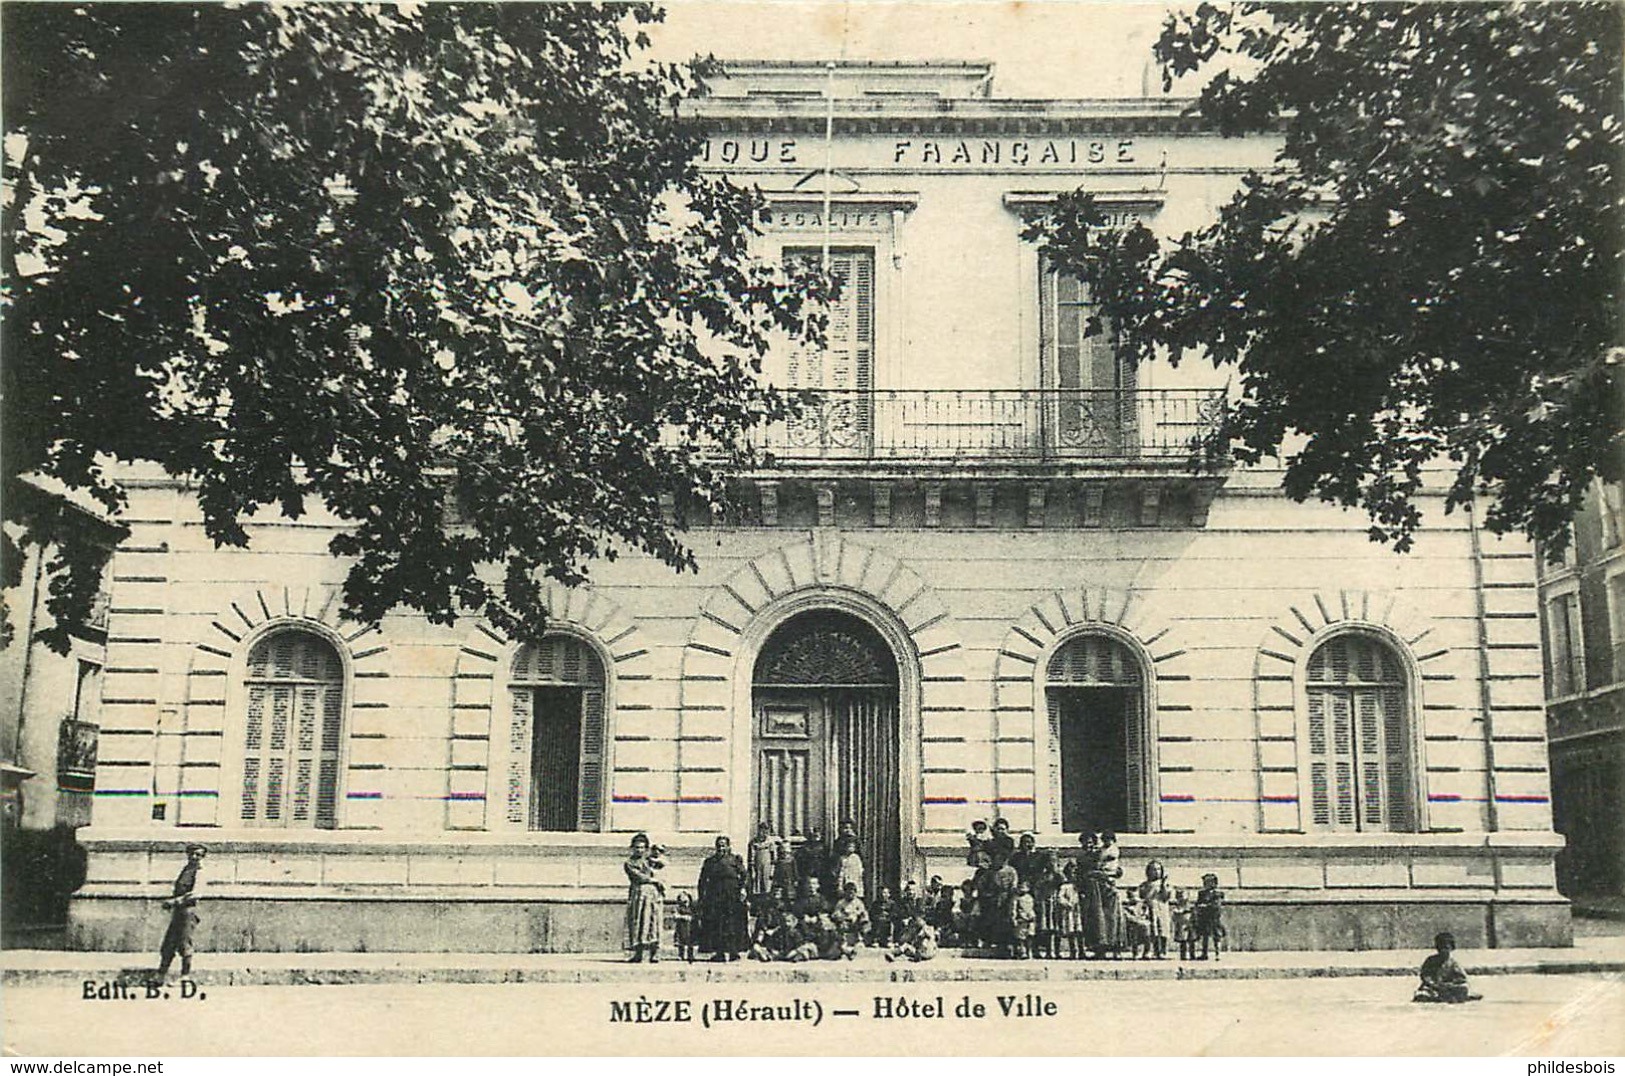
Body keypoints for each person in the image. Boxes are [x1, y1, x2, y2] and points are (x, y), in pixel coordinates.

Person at [156, 843, 206, 979]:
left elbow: (196, 894)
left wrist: (175, 901)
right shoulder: (186, 870)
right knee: (169, 944)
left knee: (185, 943)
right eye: (192, 854)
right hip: (178, 911)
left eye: (199, 855)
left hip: (189, 911)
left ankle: (185, 977)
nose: (195, 857)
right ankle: (161, 975)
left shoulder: (200, 872)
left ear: (202, 857)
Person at [696, 835, 750, 962]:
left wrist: (743, 889)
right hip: (715, 897)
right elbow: (702, 880)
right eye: (719, 845)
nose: (721, 848)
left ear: (728, 846)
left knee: (732, 925)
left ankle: (733, 952)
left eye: (723, 845)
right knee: (717, 926)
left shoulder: (735, 860)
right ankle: (719, 953)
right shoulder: (710, 862)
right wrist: (701, 897)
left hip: (732, 896)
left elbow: (745, 876)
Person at [623, 833, 666, 963]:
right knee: (638, 922)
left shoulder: (650, 860)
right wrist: (654, 880)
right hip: (638, 894)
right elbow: (638, 876)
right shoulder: (629, 863)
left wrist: (658, 853)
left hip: (653, 895)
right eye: (637, 847)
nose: (639, 850)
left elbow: (663, 864)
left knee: (653, 921)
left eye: (642, 847)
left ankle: (655, 952)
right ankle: (638, 953)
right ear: (632, 848)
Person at [1414, 932, 1481, 1003]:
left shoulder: (1454, 963)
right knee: (1422, 994)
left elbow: (1462, 979)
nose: (1443, 951)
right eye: (1441, 948)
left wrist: (1450, 984)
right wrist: (1433, 984)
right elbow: (1425, 975)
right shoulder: (1431, 960)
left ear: (1452, 948)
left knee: (1463, 988)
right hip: (1433, 988)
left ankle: (1450, 997)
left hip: (1448, 988)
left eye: (1446, 948)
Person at [1139, 860, 1173, 960]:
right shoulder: (1145, 884)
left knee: (1163, 930)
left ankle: (1163, 951)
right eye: (1153, 869)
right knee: (1151, 931)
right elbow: (1142, 895)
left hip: (1161, 909)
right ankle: (1152, 950)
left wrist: (1163, 885)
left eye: (1158, 869)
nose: (1156, 872)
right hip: (1150, 909)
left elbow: (1166, 896)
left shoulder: (1164, 884)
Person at [1193, 871, 1226, 961]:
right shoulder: (1201, 893)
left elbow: (1217, 905)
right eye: (1205, 882)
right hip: (1204, 918)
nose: (1205, 884)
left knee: (1216, 936)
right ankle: (1204, 953)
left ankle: (1217, 953)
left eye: (1208, 882)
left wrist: (1207, 906)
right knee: (1205, 936)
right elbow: (1198, 903)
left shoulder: (1217, 894)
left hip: (1214, 918)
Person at [831, 882, 870, 958]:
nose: (850, 895)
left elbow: (863, 913)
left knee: (865, 920)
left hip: (856, 924)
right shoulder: (841, 903)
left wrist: (857, 915)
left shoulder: (858, 902)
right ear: (845, 892)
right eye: (848, 892)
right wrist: (844, 917)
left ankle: (860, 940)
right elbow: (835, 914)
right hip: (845, 923)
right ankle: (844, 945)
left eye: (852, 892)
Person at [1055, 862, 1082, 960]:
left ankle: (1081, 951)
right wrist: (1067, 903)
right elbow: (1060, 897)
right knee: (1070, 931)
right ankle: (1072, 951)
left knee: (1079, 931)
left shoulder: (1079, 886)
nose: (1073, 875)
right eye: (1071, 873)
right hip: (1068, 912)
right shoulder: (1065, 886)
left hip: (1078, 911)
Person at [747, 822, 776, 912]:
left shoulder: (770, 842)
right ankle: (757, 907)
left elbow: (773, 858)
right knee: (757, 885)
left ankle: (766, 908)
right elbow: (751, 857)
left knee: (766, 886)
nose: (763, 833)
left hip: (767, 866)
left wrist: (772, 871)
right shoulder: (753, 842)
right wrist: (752, 870)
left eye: (766, 831)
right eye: (761, 830)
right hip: (757, 866)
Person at [1011, 881, 1037, 959]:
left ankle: (1029, 951)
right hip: (1021, 919)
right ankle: (1022, 952)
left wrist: (1033, 916)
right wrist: (1014, 918)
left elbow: (1033, 907)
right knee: (1020, 937)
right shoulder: (1016, 898)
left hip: (1030, 918)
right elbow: (1013, 909)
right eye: (1021, 888)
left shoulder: (1030, 897)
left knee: (1030, 935)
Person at [671, 891, 696, 963]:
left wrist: (692, 917)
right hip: (681, 927)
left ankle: (690, 955)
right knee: (680, 942)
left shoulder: (692, 908)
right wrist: (683, 917)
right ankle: (680, 955)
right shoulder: (678, 908)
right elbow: (675, 916)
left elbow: (695, 916)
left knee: (690, 942)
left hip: (690, 928)